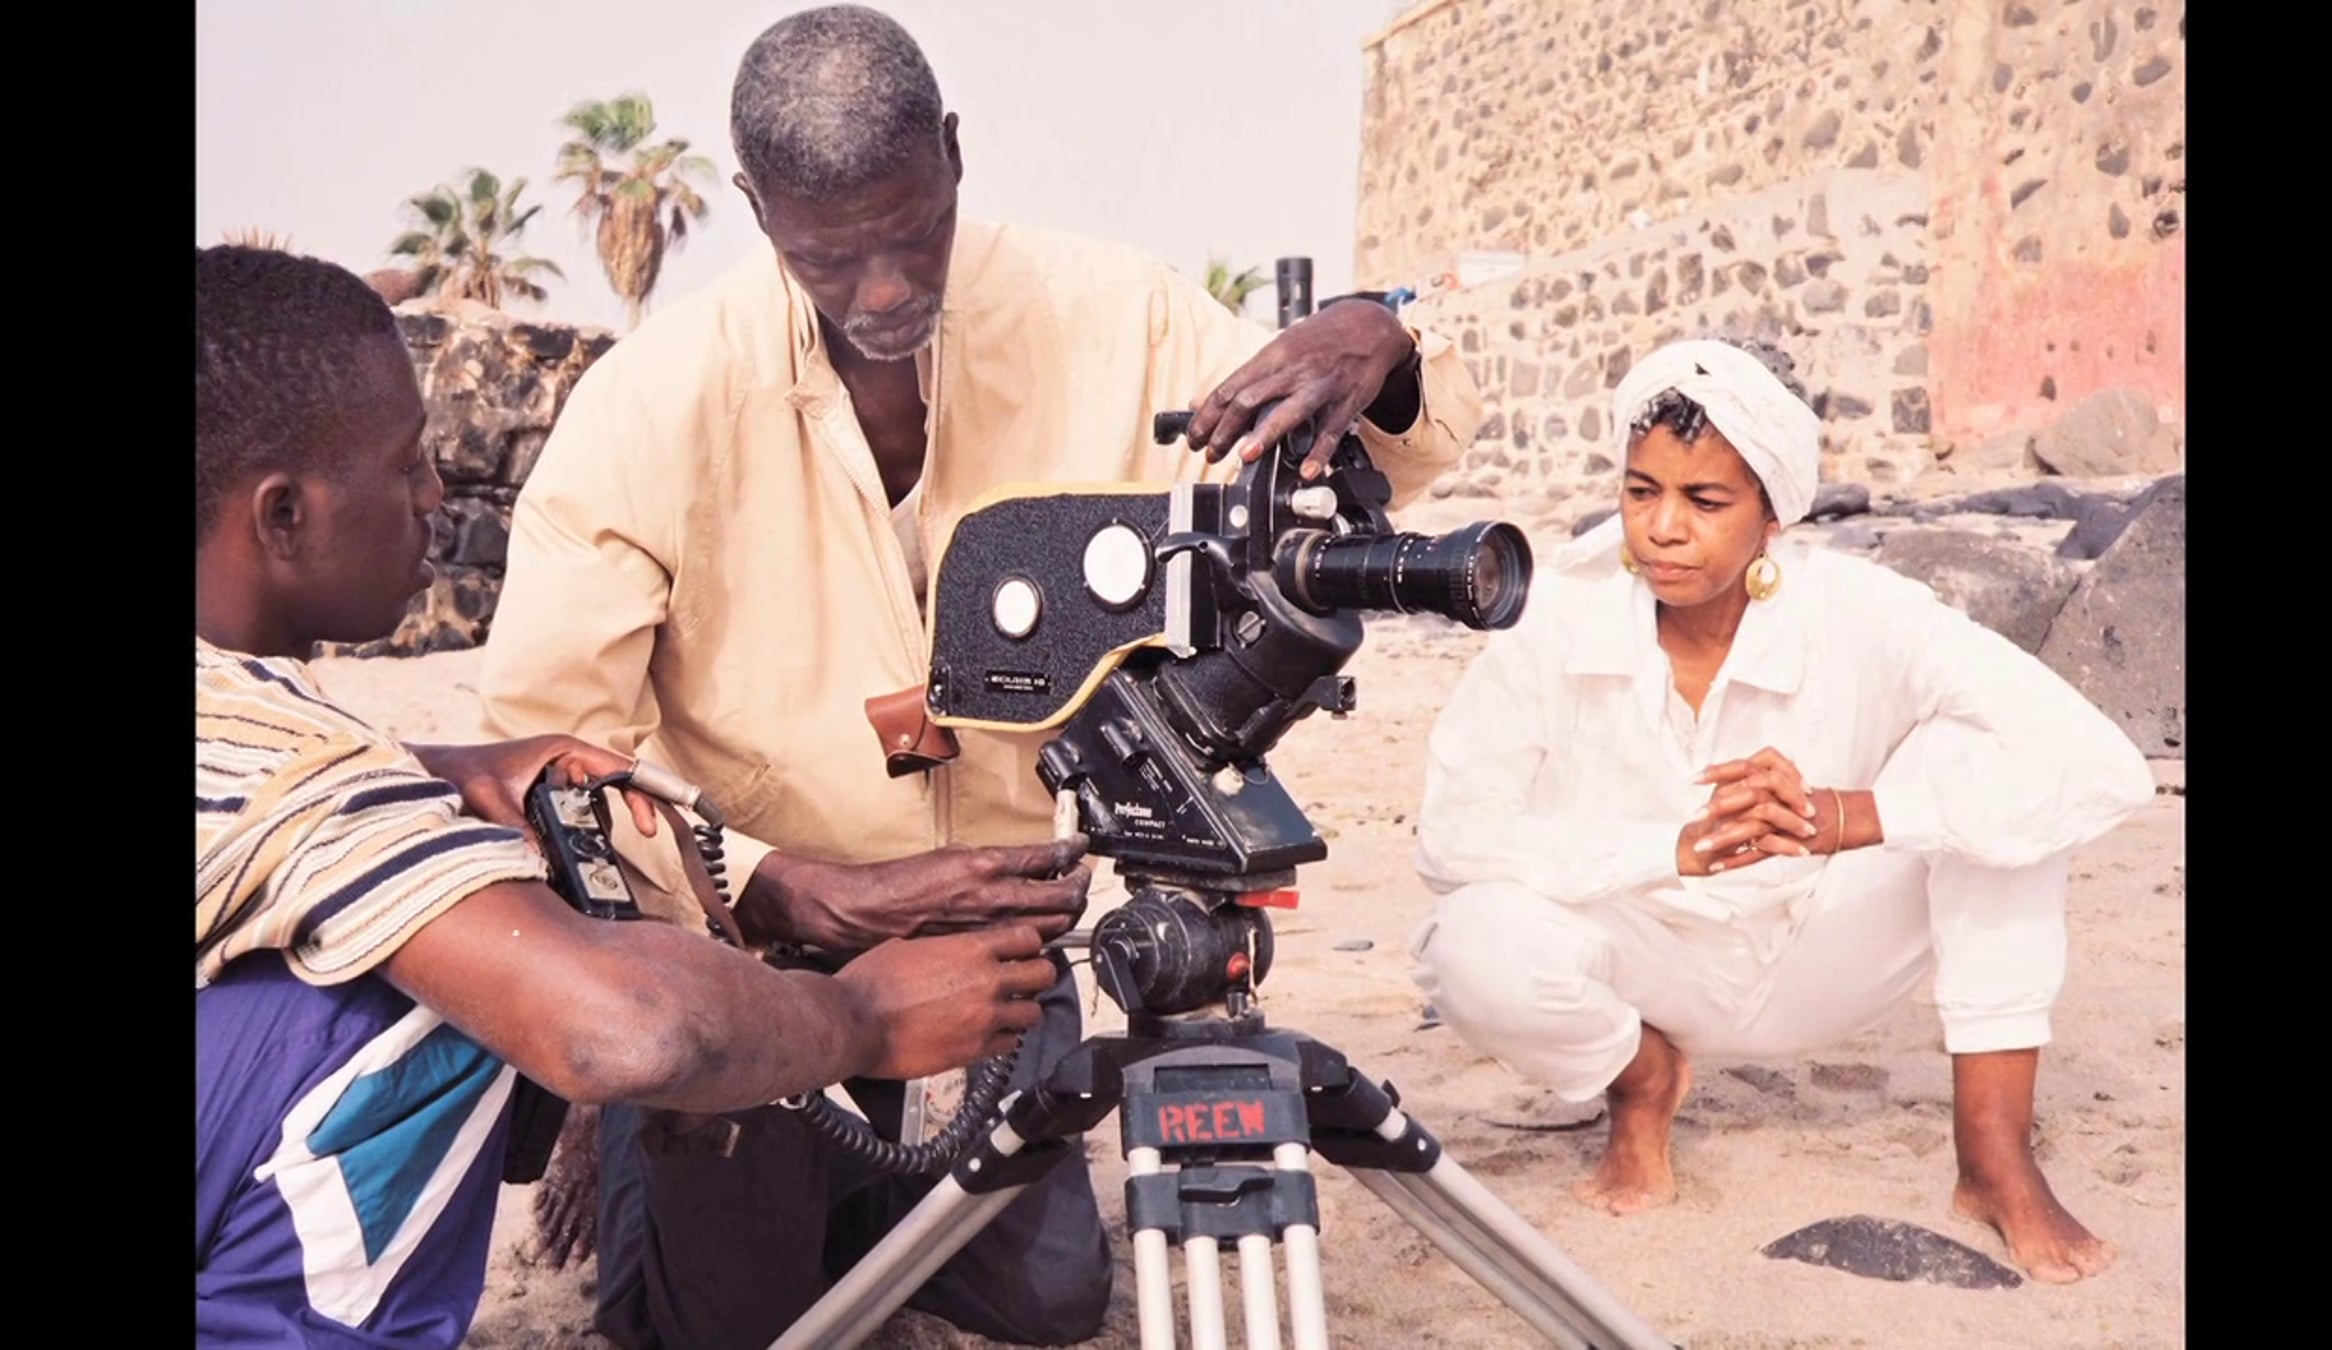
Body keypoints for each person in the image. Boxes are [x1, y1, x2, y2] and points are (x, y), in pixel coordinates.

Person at [471, 6, 1482, 1345]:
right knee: (722, 1324)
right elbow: (543, 759)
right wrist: (777, 886)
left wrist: (1378, 342)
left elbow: (1386, 462)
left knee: (1050, 1301)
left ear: (954, 154)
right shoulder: (648, 405)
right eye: (832, 257)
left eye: (915, 233)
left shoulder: (1118, 314)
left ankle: (855, 1187)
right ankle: (664, 1142)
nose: (887, 291)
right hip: (752, 952)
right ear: (756, 210)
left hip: (999, 949)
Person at [194, 242, 1075, 1348]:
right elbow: (622, 1035)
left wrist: (436, 767)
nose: (435, 495)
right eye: (407, 462)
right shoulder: (314, 784)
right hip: (743, 987)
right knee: (425, 992)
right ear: (282, 517)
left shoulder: (251, 733)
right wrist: (862, 1019)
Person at [1404, 336, 2153, 1286]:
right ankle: (1642, 1083)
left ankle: (1994, 1157)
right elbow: (1451, 836)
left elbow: (2100, 764)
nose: (1664, 529)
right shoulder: (1553, 617)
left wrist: (1852, 815)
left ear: (1773, 515)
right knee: (1469, 941)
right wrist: (1670, 848)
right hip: (1642, 960)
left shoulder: (1863, 610)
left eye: (1705, 501)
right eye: (1641, 492)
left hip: (1823, 950)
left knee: (1997, 775)